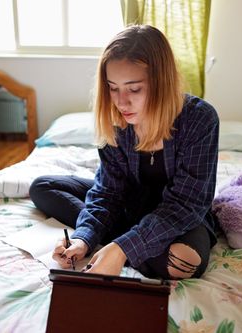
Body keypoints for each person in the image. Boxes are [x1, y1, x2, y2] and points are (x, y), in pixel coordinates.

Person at [29, 24, 219, 280]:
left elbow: (187, 205)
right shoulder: (116, 120)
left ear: (161, 82)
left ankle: (118, 244)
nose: (121, 102)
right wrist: (82, 240)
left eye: (134, 88)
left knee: (183, 262)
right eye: (113, 87)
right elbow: (109, 192)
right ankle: (118, 242)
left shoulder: (200, 119)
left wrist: (122, 248)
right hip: (128, 207)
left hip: (178, 215)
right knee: (43, 186)